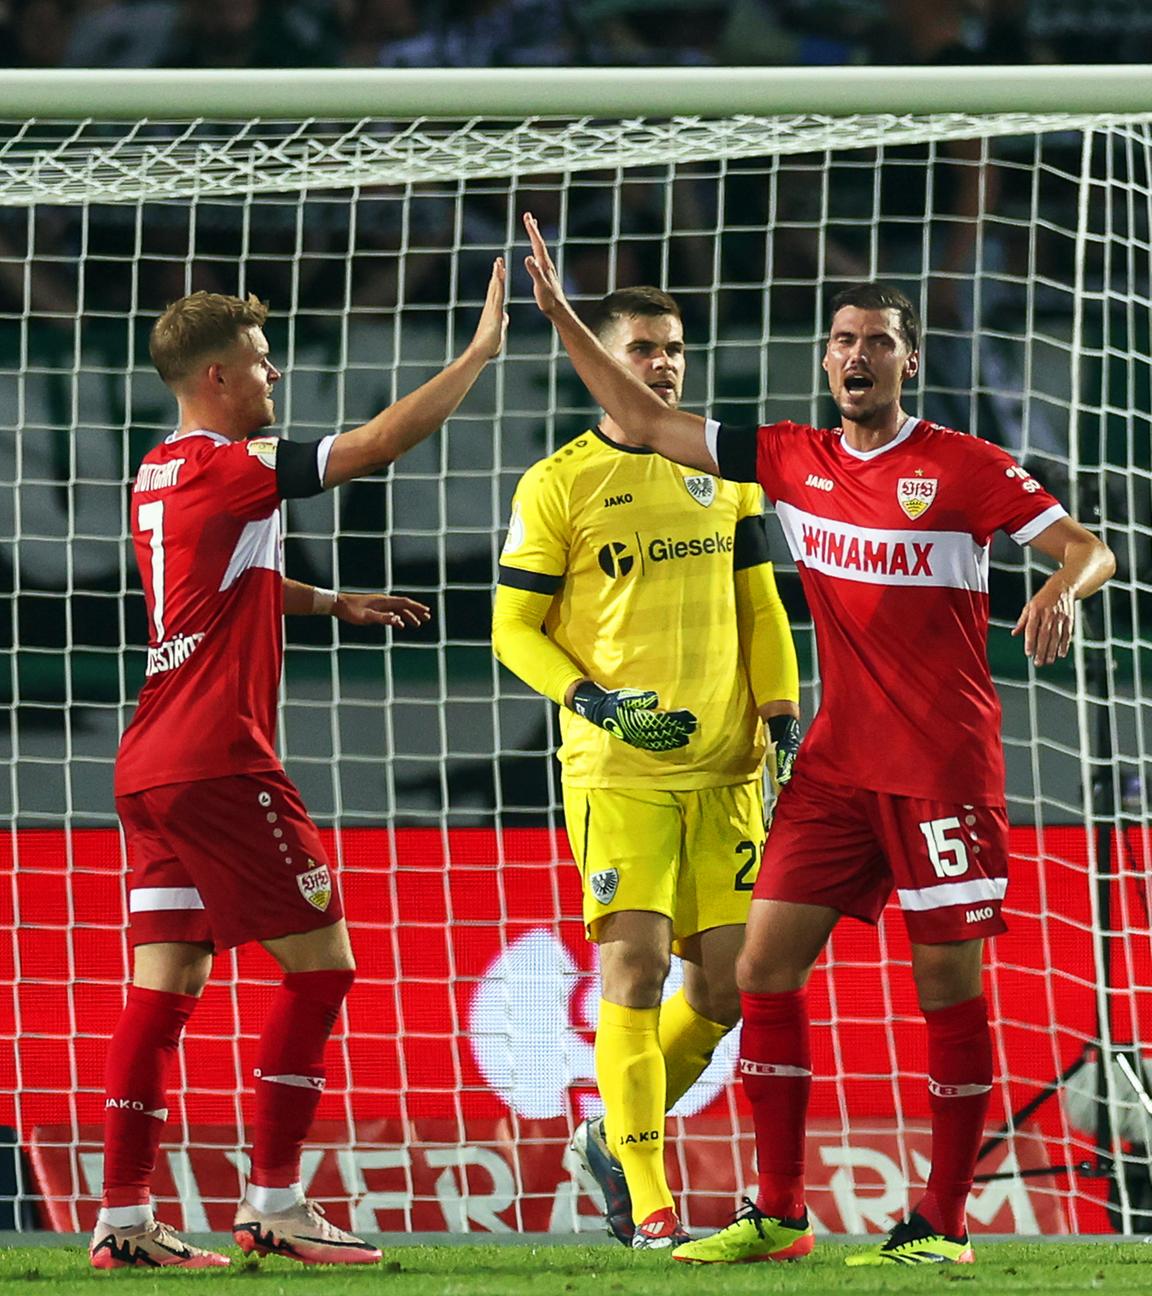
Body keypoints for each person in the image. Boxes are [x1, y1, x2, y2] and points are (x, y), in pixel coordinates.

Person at [521, 211, 1115, 1266]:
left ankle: (940, 1220)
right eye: (842, 341)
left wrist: (1063, 587)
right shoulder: (787, 462)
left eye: (877, 341)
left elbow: (1088, 545)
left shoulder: (964, 465)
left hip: (940, 773)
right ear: (825, 360)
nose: (857, 356)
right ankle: (780, 1211)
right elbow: (647, 423)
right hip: (836, 770)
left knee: (947, 991)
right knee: (761, 970)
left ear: (907, 360)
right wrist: (564, 317)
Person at [90, 264, 507, 1269]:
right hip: (223, 758)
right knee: (325, 970)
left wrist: (330, 605)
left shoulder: (160, 474)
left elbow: (229, 584)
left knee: (164, 986)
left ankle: (122, 1221)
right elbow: (375, 445)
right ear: (221, 376)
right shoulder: (238, 465)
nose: (276, 376)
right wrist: (477, 354)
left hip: (150, 762)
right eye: (264, 363)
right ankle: (274, 1201)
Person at [491, 285, 801, 1249]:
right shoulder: (558, 483)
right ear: (602, 363)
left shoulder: (726, 472)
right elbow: (511, 627)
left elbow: (761, 606)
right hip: (616, 769)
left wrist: (784, 714)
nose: (661, 365)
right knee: (633, 963)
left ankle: (607, 1136)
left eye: (671, 350)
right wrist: (590, 701)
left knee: (728, 989)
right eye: (640, 351)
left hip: (727, 770)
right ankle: (650, 1193)